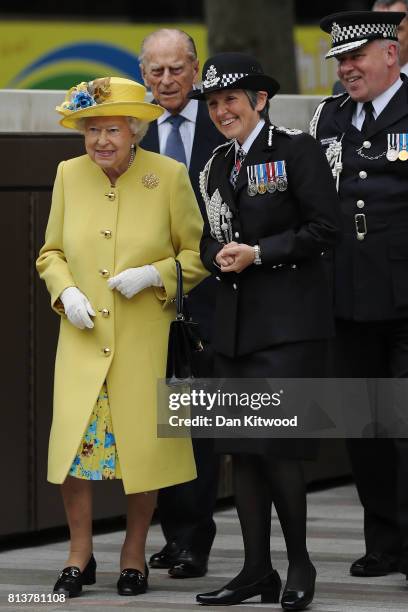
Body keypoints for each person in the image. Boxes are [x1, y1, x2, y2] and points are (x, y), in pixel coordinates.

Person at [36, 76, 207, 598]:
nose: (101, 141)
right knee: (74, 453)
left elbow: (195, 257)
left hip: (142, 341)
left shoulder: (170, 175)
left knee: (143, 451)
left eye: (111, 129)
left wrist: (156, 275)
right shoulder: (69, 174)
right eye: (91, 130)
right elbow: (51, 253)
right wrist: (67, 294)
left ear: (135, 131)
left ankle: (134, 555)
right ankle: (78, 555)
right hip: (84, 340)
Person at [190, 53, 341, 610]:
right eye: (212, 103)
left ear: (260, 99)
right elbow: (208, 237)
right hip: (234, 330)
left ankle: (300, 563)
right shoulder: (212, 166)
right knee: (242, 452)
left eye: (231, 99)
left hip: (287, 327)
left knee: (278, 449)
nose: (222, 110)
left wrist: (259, 252)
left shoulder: (297, 149)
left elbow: (325, 229)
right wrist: (219, 255)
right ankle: (256, 570)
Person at [311, 10, 408, 580]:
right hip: (347, 296)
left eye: (357, 57)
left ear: (391, 54)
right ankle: (385, 544)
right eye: (340, 60)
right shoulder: (330, 115)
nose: (347, 69)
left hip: (404, 297)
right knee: (365, 428)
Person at [139, 28, 224, 579]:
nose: (167, 80)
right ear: (142, 72)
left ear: (195, 68)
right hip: (145, 296)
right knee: (158, 418)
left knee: (200, 423)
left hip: (215, 294)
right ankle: (174, 535)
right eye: (156, 71)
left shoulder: (222, 120)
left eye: (177, 69)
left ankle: (195, 538)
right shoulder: (128, 124)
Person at [332, 0, 408, 94]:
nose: (389, 38)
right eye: (377, 32)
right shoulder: (342, 89)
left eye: (397, 29)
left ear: (390, 52)